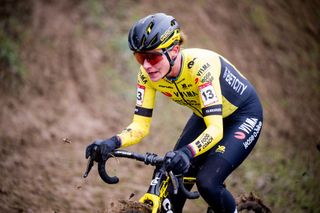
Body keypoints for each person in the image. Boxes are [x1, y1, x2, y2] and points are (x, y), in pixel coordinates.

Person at [85, 13, 263, 213]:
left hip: (242, 116)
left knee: (207, 182)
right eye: (140, 57)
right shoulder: (147, 75)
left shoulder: (200, 67)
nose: (146, 65)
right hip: (207, 114)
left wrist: (188, 152)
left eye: (152, 56)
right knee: (169, 176)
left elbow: (215, 130)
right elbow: (140, 127)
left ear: (175, 50)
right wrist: (112, 142)